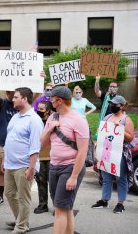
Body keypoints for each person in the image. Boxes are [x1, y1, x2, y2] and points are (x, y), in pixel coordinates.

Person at [40, 86, 89, 234]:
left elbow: (83, 151)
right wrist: (49, 129)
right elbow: (41, 143)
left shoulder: (78, 120)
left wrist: (74, 176)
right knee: (65, 207)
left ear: (59, 101)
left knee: (59, 210)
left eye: (51, 98)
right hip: (54, 166)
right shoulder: (53, 117)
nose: (49, 101)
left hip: (71, 167)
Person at [3, 87, 44, 234]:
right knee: (9, 193)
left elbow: (35, 147)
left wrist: (31, 168)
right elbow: (10, 139)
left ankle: (21, 226)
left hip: (24, 165)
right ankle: (20, 219)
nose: (12, 99)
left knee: (23, 197)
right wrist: (4, 161)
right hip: (10, 164)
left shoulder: (34, 120)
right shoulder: (16, 116)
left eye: (15, 97)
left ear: (24, 99)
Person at [91, 95, 134, 214]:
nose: (112, 106)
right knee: (106, 177)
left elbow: (130, 138)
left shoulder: (126, 119)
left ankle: (121, 203)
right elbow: (101, 135)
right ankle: (104, 200)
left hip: (119, 153)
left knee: (121, 178)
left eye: (114, 104)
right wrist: (96, 151)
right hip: (106, 151)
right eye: (111, 104)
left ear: (121, 106)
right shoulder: (107, 117)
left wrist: (120, 128)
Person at [0, 81, 18, 208]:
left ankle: (14, 195)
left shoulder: (22, 105)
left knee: (17, 171)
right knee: (3, 170)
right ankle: (0, 196)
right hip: (2, 143)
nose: (16, 95)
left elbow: (34, 97)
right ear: (8, 93)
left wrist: (39, 81)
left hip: (18, 144)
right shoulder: (1, 103)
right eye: (14, 93)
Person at [34, 101, 53, 214]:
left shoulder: (53, 122)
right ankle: (43, 204)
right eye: (38, 109)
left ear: (48, 111)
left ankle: (57, 206)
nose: (39, 111)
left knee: (53, 183)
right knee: (40, 182)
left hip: (52, 157)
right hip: (39, 157)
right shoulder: (35, 122)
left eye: (42, 109)